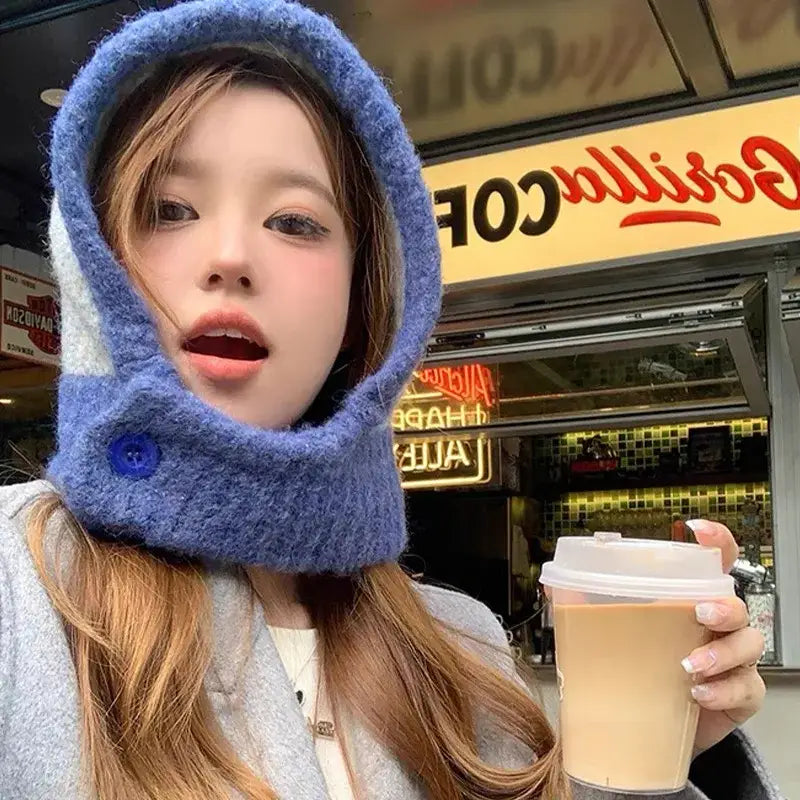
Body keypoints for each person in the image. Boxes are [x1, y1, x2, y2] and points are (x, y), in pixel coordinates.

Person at [0, 2, 783, 799]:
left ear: (360, 300)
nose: (229, 256)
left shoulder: (463, 645)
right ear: (90, 258)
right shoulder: (14, 595)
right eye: (170, 210)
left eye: (294, 221)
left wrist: (673, 752)